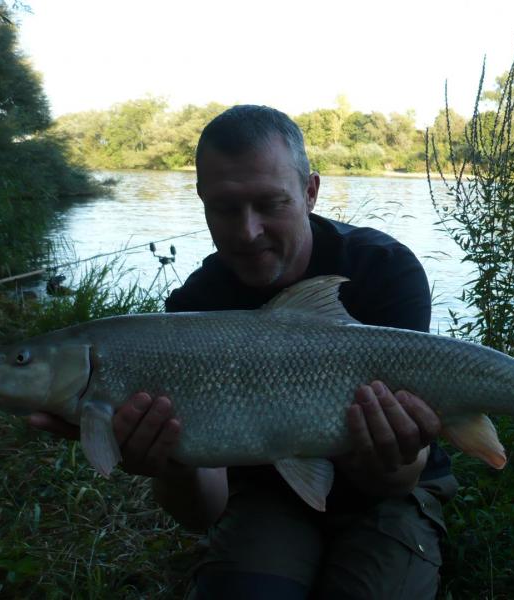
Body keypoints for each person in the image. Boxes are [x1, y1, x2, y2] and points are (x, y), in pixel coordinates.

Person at [31, 105, 457, 599]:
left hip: (388, 494)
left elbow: (400, 477)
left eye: (270, 204)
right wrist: (173, 461)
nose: (247, 231)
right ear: (203, 201)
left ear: (310, 192)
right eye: (225, 208)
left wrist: (390, 453)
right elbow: (200, 513)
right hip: (267, 491)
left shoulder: (384, 268)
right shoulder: (193, 308)